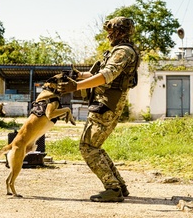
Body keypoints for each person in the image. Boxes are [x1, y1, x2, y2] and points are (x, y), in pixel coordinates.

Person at [57, 16, 140, 202]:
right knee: (95, 145)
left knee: (88, 147)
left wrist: (76, 87)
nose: (108, 35)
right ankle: (119, 186)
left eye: (111, 31)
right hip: (105, 102)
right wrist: (79, 76)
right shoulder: (119, 50)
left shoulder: (123, 52)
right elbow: (97, 74)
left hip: (107, 104)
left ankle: (113, 188)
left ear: (120, 32)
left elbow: (106, 76)